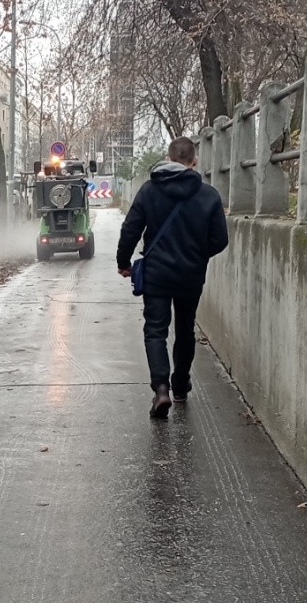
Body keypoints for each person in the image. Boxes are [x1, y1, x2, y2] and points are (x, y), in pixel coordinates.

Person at [116, 137, 229, 419]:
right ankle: (180, 385)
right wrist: (197, 254)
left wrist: (123, 262)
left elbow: (131, 228)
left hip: (156, 273)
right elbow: (220, 240)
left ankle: (161, 389)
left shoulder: (150, 190)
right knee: (186, 327)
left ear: (168, 158)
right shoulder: (209, 195)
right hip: (191, 275)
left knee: (155, 329)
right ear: (195, 161)